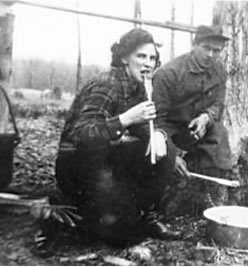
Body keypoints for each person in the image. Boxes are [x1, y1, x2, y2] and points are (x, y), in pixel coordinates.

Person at [55, 28, 180, 246]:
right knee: (125, 236)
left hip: (107, 160)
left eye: (152, 58)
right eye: (141, 56)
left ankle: (147, 214)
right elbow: (80, 134)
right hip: (76, 165)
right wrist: (124, 119)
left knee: (166, 147)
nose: (148, 64)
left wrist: (157, 133)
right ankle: (67, 214)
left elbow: (144, 127)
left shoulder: (139, 87)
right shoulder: (107, 84)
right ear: (124, 57)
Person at [152, 25, 233, 210]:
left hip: (196, 130)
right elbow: (156, 121)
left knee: (219, 133)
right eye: (206, 48)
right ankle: (163, 204)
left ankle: (214, 195)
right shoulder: (169, 73)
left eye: (216, 51)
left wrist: (206, 117)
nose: (211, 55)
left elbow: (218, 105)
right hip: (168, 132)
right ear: (194, 44)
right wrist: (172, 156)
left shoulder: (219, 71)